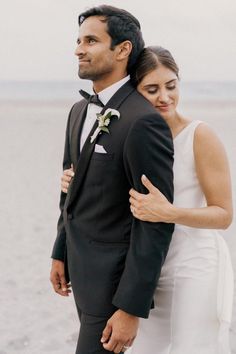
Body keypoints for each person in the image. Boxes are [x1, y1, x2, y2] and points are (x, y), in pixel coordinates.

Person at [62, 46, 234, 353]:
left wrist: (169, 212)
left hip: (193, 267)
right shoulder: (130, 132)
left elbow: (223, 215)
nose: (164, 97)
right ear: (134, 91)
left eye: (171, 86)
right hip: (147, 269)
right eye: (151, 89)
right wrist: (76, 183)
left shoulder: (200, 136)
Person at [50, 6, 174, 354]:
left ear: (122, 50)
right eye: (78, 40)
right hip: (81, 271)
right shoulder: (78, 111)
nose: (78, 49)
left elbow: (156, 221)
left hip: (113, 285)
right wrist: (60, 252)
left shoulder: (143, 121)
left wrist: (131, 308)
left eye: (91, 40)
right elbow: (71, 191)